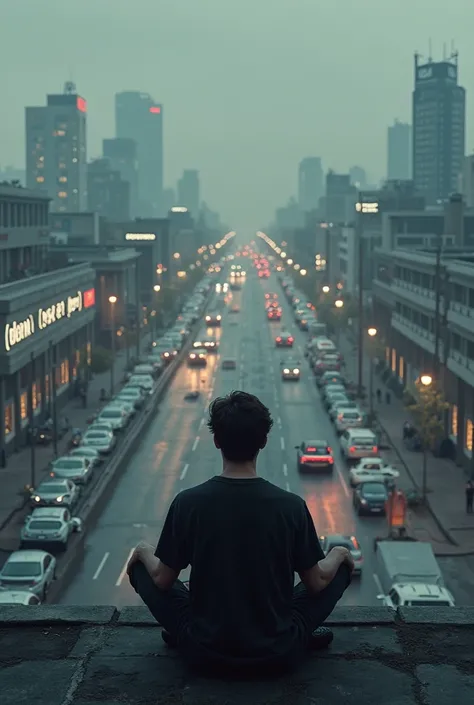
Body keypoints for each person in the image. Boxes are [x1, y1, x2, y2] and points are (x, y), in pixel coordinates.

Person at [127, 391, 353, 674]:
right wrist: (340, 554)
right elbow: (317, 583)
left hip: (203, 650)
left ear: (216, 441)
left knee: (142, 570)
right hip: (279, 651)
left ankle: (181, 634)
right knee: (338, 571)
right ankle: (299, 635)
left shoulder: (188, 502)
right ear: (264, 441)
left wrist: (143, 552)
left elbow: (161, 580)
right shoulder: (291, 507)